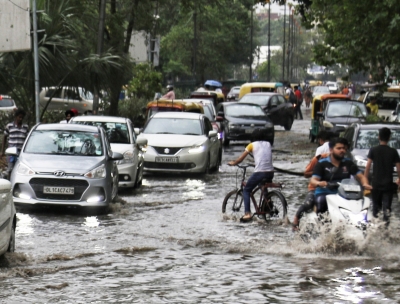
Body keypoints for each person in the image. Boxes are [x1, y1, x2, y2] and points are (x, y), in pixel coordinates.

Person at [292, 137, 372, 229]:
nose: (342, 150)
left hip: (343, 194)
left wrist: (365, 184)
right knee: (320, 202)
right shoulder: (322, 163)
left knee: (359, 203)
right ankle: (322, 227)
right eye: (339, 148)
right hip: (325, 192)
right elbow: (313, 180)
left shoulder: (348, 163)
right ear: (331, 149)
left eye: (344, 148)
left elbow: (360, 176)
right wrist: (319, 183)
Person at [228, 128, 274, 221]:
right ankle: (267, 202)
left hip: (260, 172)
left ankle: (247, 213)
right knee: (261, 184)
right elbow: (264, 157)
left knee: (246, 190)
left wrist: (234, 162)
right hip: (270, 172)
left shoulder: (251, 145)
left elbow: (241, 159)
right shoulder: (268, 144)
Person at [364, 127, 400, 221]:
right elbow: (399, 168)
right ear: (389, 138)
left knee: (376, 207)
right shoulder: (393, 151)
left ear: (378, 137)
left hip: (376, 184)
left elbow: (368, 165)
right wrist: (399, 180)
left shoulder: (373, 150)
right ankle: (386, 229)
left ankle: (376, 227)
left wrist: (366, 181)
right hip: (388, 184)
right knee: (387, 208)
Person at [1, 109, 29, 179]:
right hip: (11, 152)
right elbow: (4, 137)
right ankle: (6, 179)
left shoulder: (25, 127)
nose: (20, 119)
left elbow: (27, 139)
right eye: (19, 117)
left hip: (20, 152)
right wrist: (2, 151)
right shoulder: (9, 126)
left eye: (22, 117)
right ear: (16, 117)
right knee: (10, 168)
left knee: (19, 169)